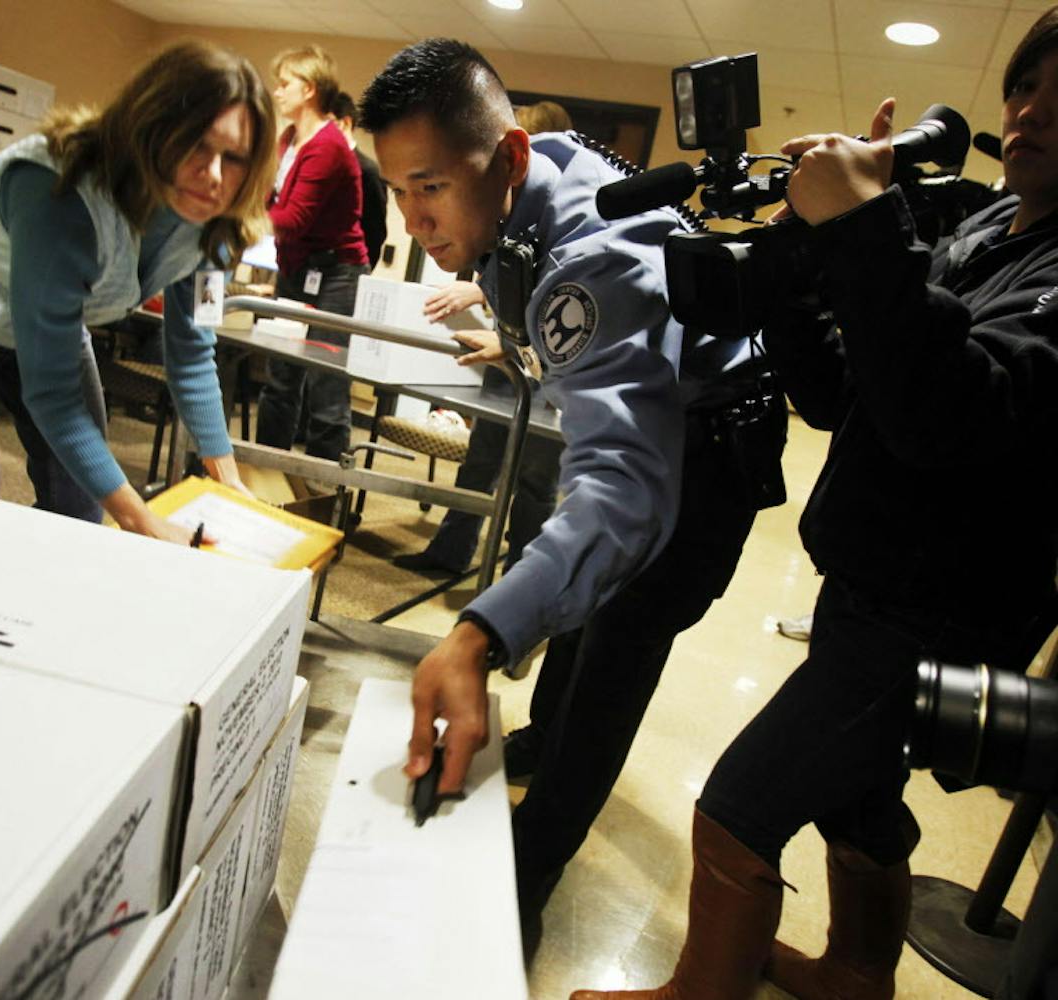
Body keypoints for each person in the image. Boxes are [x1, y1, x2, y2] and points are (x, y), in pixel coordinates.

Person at [571, 8, 1058, 999]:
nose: (1029, 111)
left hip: (939, 613)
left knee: (740, 806)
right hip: (870, 575)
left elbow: (947, 415)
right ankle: (853, 971)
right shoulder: (980, 229)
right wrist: (799, 268)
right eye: (1024, 85)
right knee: (858, 800)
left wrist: (867, 231)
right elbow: (844, 395)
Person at [359, 37, 782, 935]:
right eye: (398, 189)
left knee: (612, 654)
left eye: (430, 187)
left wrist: (474, 639)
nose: (414, 217)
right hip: (645, 430)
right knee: (570, 605)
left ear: (504, 157)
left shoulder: (592, 261)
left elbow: (624, 493)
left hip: (703, 456)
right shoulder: (523, 174)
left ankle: (529, 874)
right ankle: (541, 741)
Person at [0, 41, 273, 543]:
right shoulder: (60, 190)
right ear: (151, 127)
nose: (213, 176)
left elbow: (191, 350)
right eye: (196, 146)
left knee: (79, 509)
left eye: (235, 158)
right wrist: (141, 521)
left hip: (50, 318)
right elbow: (52, 392)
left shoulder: (215, 227)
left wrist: (228, 482)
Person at [390, 100, 580, 577]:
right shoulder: (497, 223)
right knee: (481, 461)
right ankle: (450, 552)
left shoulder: (567, 219)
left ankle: (521, 575)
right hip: (508, 354)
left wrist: (518, 343)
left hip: (545, 370)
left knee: (536, 480)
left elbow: (553, 294)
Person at [255, 44, 369, 462]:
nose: (278, 91)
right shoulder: (289, 139)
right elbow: (274, 201)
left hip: (337, 274)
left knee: (326, 384)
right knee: (280, 377)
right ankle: (266, 476)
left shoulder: (328, 146)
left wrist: (245, 214)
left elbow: (293, 218)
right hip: (298, 269)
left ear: (309, 89)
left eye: (285, 84)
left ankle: (323, 492)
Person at [330, 91, 389, 271]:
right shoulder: (317, 166)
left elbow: (375, 234)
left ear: (345, 123)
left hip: (345, 272)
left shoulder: (368, 171)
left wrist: (358, 275)